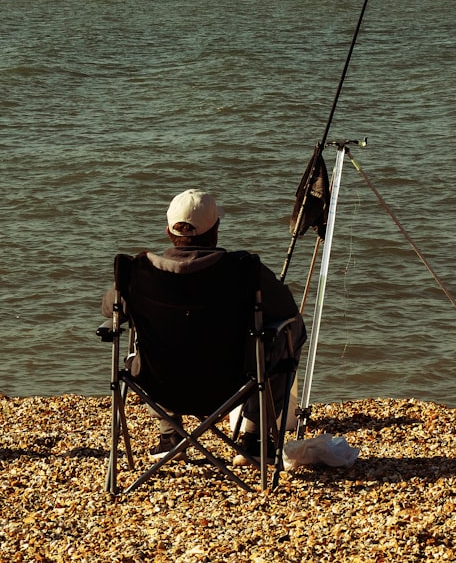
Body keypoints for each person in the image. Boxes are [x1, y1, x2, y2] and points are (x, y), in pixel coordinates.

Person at [102, 188, 305, 464]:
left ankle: (170, 436)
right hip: (232, 382)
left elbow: (110, 309)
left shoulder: (139, 274)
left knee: (151, 339)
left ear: (168, 231)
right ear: (215, 231)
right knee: (292, 331)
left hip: (160, 382)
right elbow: (287, 310)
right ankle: (255, 438)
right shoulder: (243, 270)